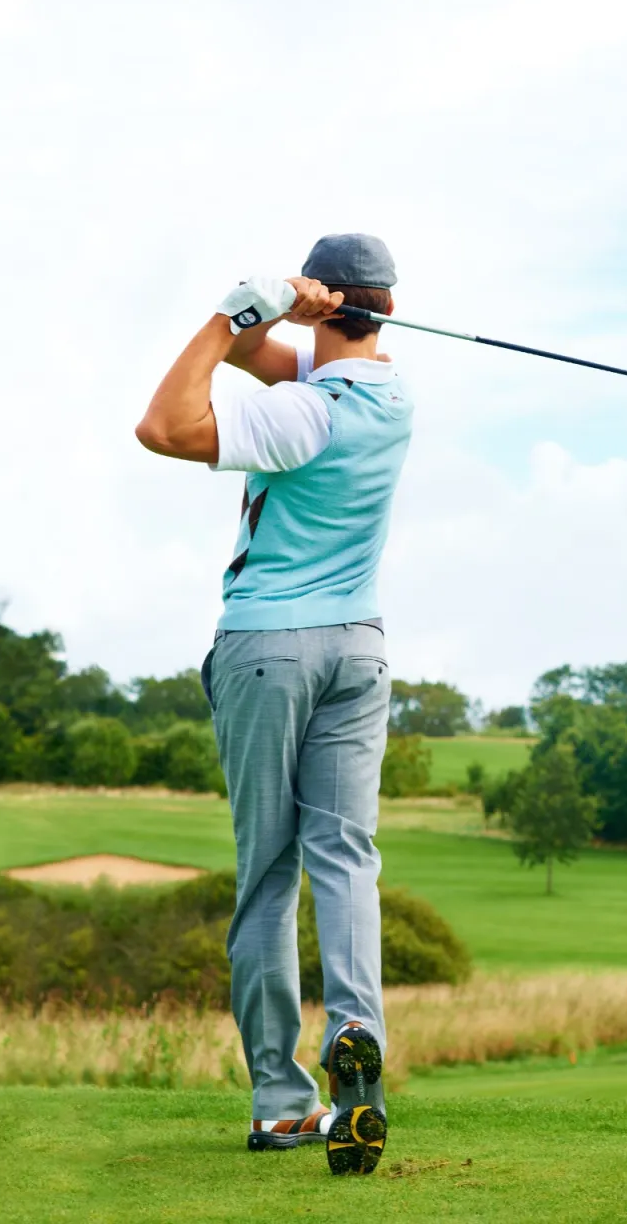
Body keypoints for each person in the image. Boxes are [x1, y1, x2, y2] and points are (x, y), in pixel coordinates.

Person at [134, 234, 413, 1176]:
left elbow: (164, 426)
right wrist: (280, 317)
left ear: (332, 303)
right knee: (347, 859)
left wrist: (228, 313)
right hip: (358, 651)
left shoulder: (302, 418)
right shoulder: (391, 397)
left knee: (268, 874)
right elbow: (283, 362)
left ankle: (281, 1103)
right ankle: (358, 1071)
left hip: (267, 649)